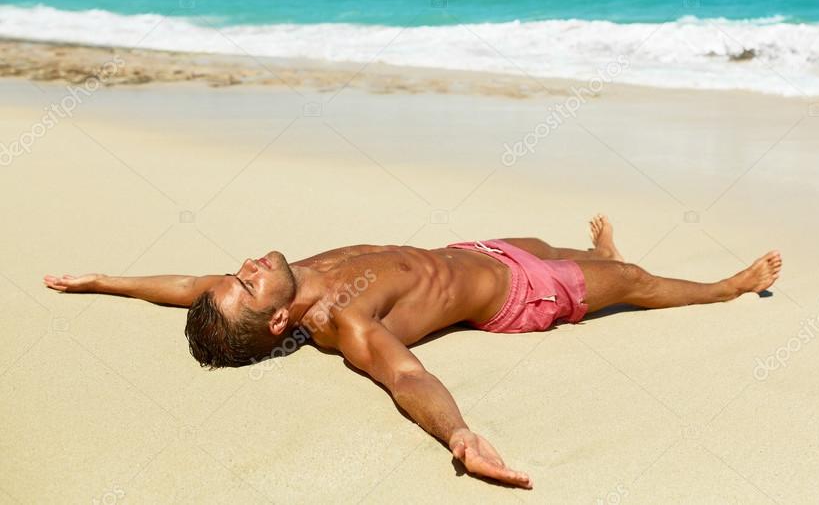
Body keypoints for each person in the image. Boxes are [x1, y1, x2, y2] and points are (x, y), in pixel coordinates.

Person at [44, 214, 781, 489]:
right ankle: (724, 288)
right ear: (274, 326)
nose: (245, 267)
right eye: (247, 285)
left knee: (547, 241)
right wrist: (459, 435)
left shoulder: (283, 279)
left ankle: (592, 250)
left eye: (239, 277)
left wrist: (102, 278)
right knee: (632, 283)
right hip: (520, 299)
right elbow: (405, 375)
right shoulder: (345, 322)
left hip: (476, 252)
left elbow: (190, 284)